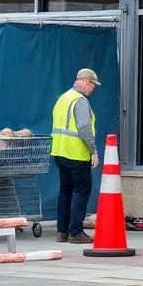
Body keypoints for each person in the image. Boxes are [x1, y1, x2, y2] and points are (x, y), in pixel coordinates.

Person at [51, 68, 101, 244]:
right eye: (93, 85)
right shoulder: (80, 101)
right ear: (86, 82)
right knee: (81, 192)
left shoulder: (62, 98)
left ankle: (62, 232)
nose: (93, 89)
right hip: (77, 154)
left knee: (65, 191)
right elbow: (84, 129)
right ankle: (76, 232)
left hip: (60, 152)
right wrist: (94, 151)